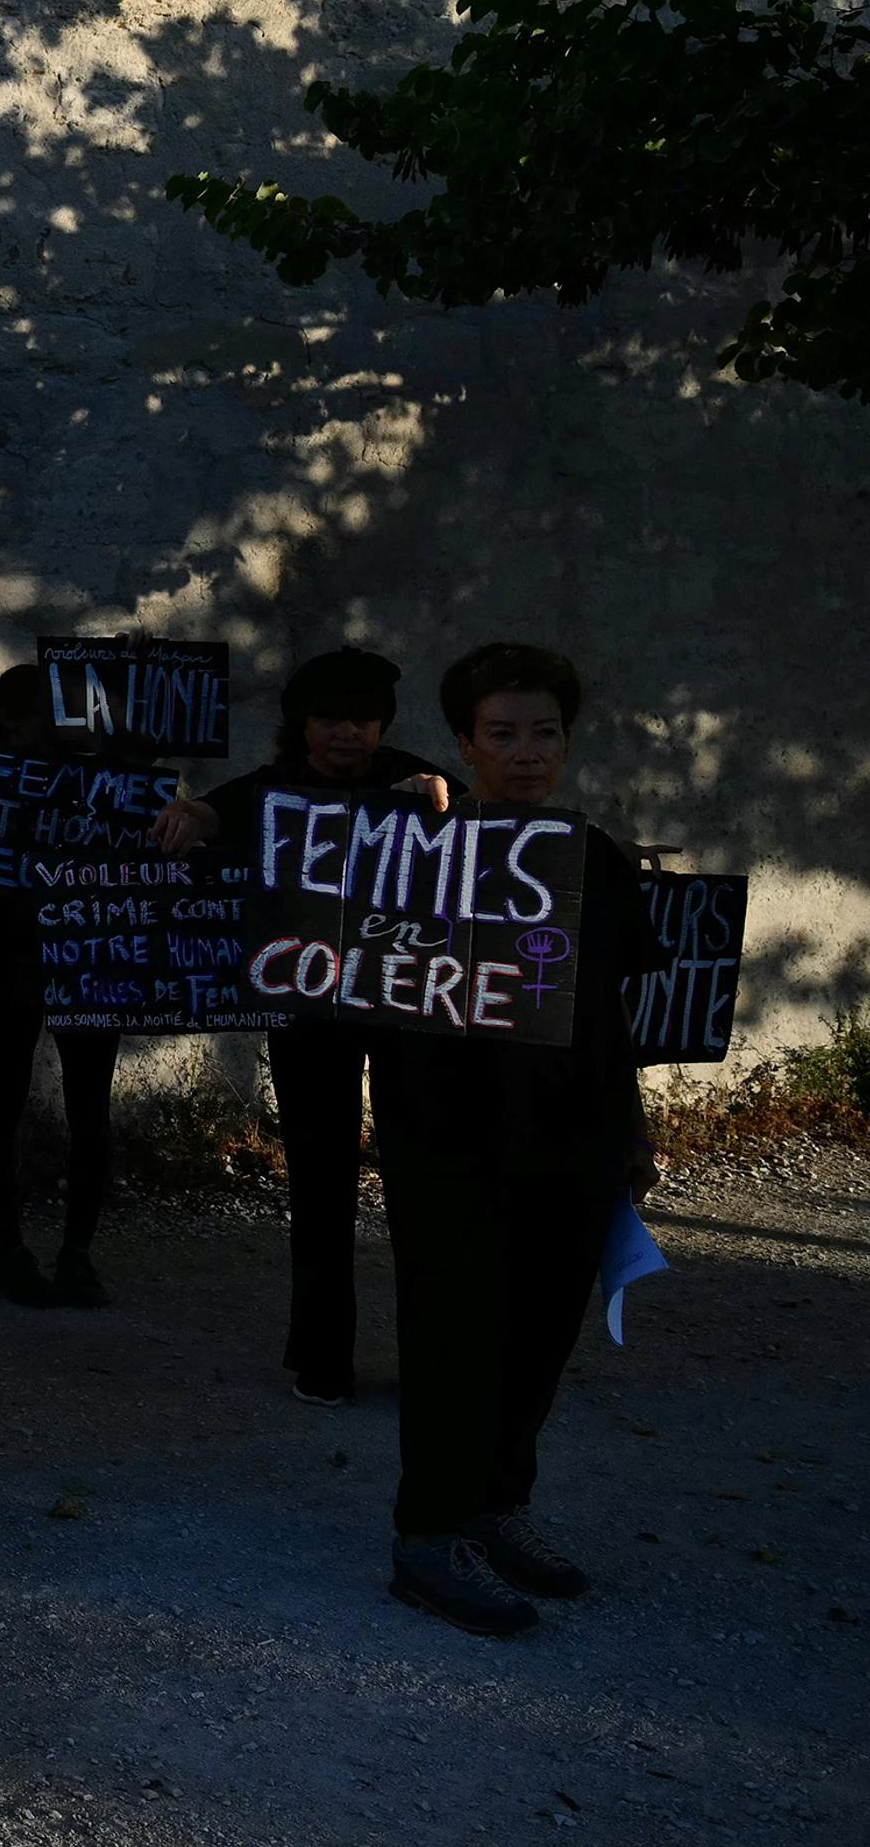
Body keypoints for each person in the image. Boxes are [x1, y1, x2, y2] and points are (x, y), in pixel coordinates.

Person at [362, 643, 654, 1637]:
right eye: (503, 734)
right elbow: (343, 929)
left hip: (573, 1140)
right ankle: (426, 1539)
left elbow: (614, 1013)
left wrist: (631, 1133)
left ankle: (495, 1506)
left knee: (539, 1336)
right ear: (465, 744)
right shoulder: (418, 842)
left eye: (545, 733)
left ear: (567, 742)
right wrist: (400, 817)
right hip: (447, 1139)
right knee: (454, 1335)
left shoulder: (600, 856)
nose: (526, 752)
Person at [149, 647, 439, 1402]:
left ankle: (434, 1354)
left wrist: (446, 802)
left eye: (364, 718)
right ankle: (323, 1355)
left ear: (384, 724)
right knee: (319, 1179)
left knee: (423, 1179)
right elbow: (214, 808)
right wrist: (188, 812)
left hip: (407, 1005)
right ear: (301, 724)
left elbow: (488, 836)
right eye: (331, 718)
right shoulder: (274, 786)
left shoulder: (415, 775)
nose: (348, 733)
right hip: (311, 1013)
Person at [0, 673, 120, 1309]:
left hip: (86, 963)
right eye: (53, 716)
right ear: (14, 723)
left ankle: (75, 1255)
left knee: (89, 1114)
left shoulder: (96, 789)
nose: (71, 727)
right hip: (18, 967)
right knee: (4, 1107)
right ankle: (15, 1252)